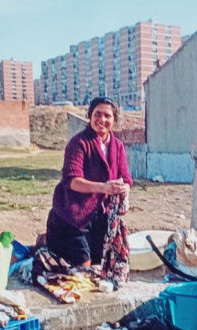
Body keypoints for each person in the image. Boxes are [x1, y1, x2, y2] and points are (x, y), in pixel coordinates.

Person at [45, 96, 132, 273]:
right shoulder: (79, 143)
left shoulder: (117, 146)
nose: (102, 120)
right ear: (90, 116)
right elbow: (71, 180)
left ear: (114, 120)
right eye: (97, 114)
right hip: (74, 214)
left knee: (99, 265)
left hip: (101, 216)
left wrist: (124, 188)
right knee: (82, 267)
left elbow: (127, 178)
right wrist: (103, 187)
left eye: (107, 116)